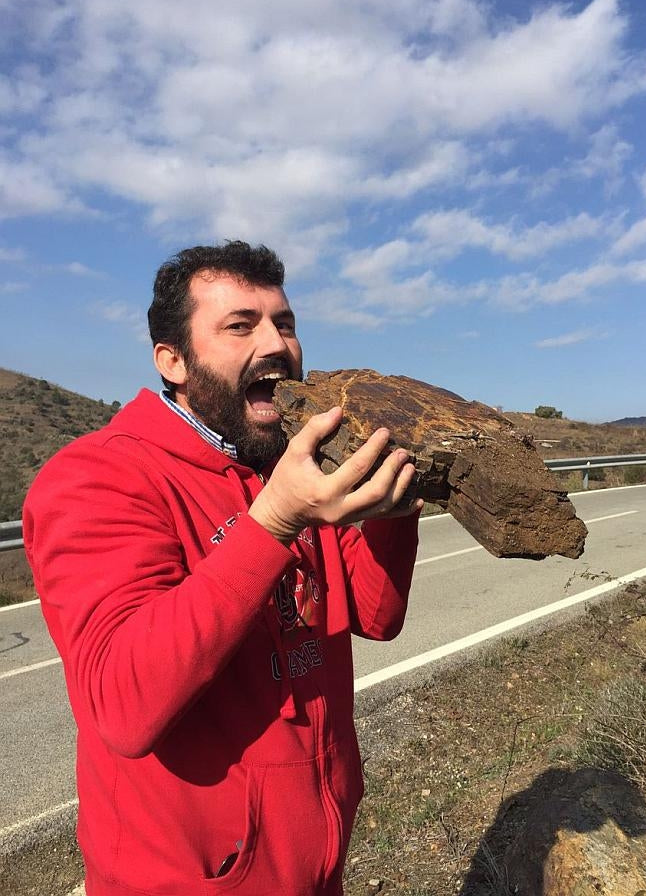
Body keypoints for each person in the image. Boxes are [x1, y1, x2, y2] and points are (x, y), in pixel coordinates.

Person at [23, 240, 422, 896]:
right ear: (172, 361)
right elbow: (124, 707)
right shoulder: (98, 477)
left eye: (284, 323)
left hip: (315, 870)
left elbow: (376, 616)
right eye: (241, 325)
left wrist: (393, 506)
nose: (278, 344)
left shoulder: (289, 465)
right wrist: (273, 522)